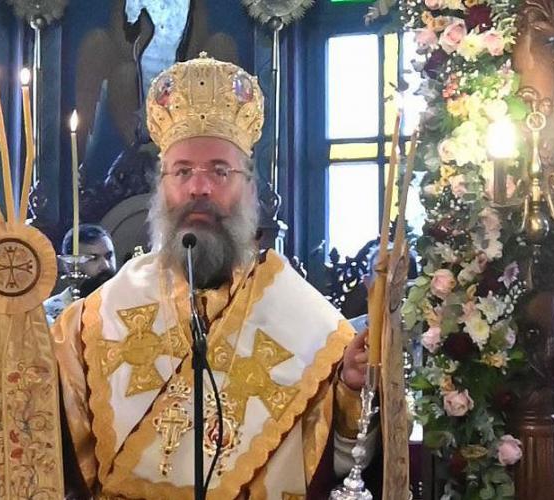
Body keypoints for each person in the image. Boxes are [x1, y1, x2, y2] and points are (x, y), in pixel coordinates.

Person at [51, 53, 373, 499]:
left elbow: (337, 467)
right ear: (162, 185)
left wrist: (352, 391)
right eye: (182, 171)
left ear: (250, 188)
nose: (199, 187)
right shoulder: (91, 321)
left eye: (220, 171)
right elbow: (53, 450)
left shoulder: (312, 325)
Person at [44, 224, 117, 323]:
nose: (106, 266)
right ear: (69, 264)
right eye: (93, 258)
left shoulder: (128, 303)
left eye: (108, 256)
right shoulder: (49, 314)